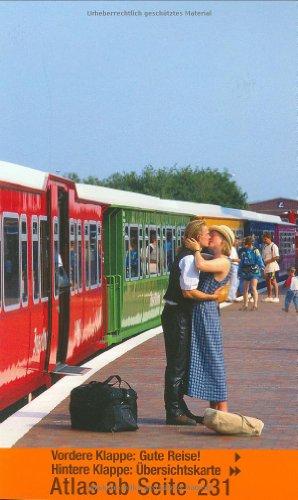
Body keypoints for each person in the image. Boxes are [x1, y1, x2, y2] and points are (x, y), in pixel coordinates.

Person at [161, 219, 226, 425]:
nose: (209, 237)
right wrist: (211, 297)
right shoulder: (189, 259)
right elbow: (188, 292)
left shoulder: (190, 255)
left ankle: (180, 407)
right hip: (177, 314)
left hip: (178, 314)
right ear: (198, 237)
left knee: (180, 363)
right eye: (207, 234)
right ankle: (173, 411)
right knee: (177, 365)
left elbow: (212, 261)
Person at [184, 225, 234, 413]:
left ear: (223, 240)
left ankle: (222, 408)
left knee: (212, 357)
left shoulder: (223, 262)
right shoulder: (214, 258)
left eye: (214, 235)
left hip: (206, 313)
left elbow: (200, 265)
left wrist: (196, 250)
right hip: (203, 312)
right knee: (207, 356)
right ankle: (214, 408)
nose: (210, 237)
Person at [238, 236, 265, 311]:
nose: (247, 246)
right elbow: (241, 261)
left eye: (248, 244)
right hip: (245, 271)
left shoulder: (255, 250)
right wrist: (239, 271)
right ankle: (245, 305)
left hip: (254, 271)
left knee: (253, 287)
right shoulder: (243, 251)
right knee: (245, 289)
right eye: (246, 244)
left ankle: (255, 305)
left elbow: (259, 259)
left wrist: (262, 267)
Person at [262, 232, 280, 303]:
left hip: (272, 266)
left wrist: (268, 261)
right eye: (264, 239)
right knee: (267, 281)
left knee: (273, 281)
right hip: (266, 267)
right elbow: (263, 257)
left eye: (265, 239)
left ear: (269, 238)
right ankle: (269, 296)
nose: (264, 241)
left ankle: (276, 297)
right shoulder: (264, 247)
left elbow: (277, 257)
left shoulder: (274, 246)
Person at [227, 237, 240, 301]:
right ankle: (230, 297)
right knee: (233, 281)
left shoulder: (234, 248)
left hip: (236, 266)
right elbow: (229, 259)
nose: (237, 242)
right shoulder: (230, 248)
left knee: (236, 282)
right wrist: (237, 260)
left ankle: (233, 296)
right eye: (236, 241)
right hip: (233, 266)